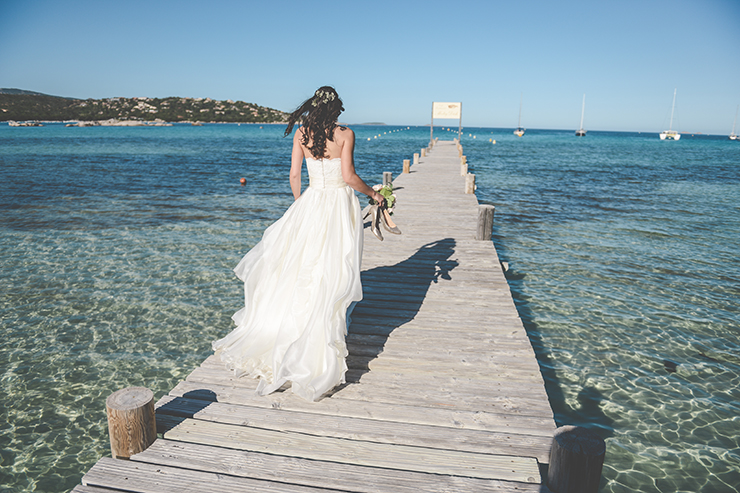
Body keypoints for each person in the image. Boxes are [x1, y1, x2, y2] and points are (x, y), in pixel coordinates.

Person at [212, 86, 385, 402]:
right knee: (333, 267)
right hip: (337, 206)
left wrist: (302, 207)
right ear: (336, 110)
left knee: (302, 267)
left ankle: (293, 327)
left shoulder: (302, 134)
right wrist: (374, 195)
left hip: (310, 203)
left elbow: (294, 175)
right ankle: (319, 334)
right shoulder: (346, 135)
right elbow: (348, 176)